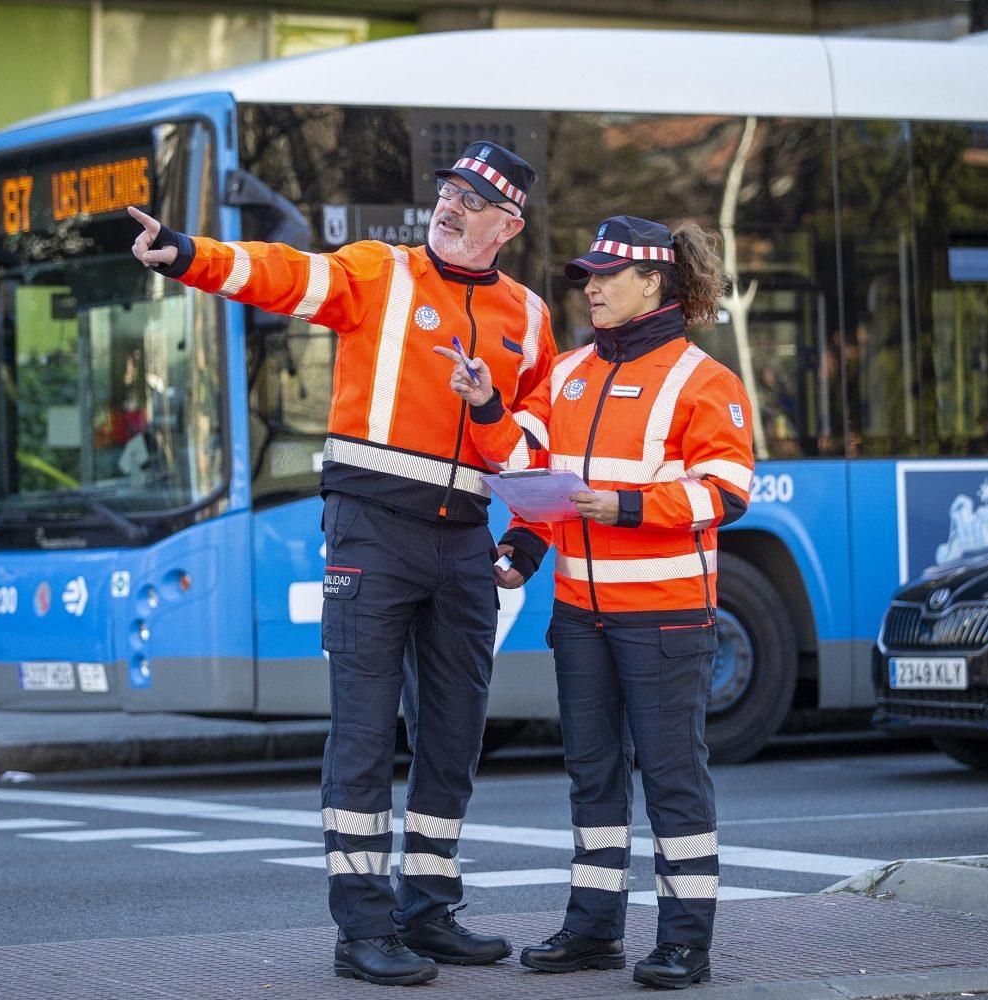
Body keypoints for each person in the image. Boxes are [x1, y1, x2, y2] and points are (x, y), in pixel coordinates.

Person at [128, 140, 557, 987]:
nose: (451, 205)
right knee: (362, 734)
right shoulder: (379, 271)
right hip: (369, 529)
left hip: (466, 537)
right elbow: (284, 273)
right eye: (448, 191)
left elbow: (539, 438)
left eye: (473, 200)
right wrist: (187, 254)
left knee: (454, 734)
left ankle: (429, 910)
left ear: (507, 224)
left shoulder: (530, 317)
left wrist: (530, 534)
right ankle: (362, 928)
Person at [439, 216, 754, 990]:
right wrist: (488, 414)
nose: (592, 286)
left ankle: (685, 943)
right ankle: (592, 933)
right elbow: (528, 466)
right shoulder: (572, 370)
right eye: (588, 274)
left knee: (674, 778)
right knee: (592, 775)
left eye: (608, 274)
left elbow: (729, 491)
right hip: (581, 616)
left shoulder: (704, 380)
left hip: (667, 617)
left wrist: (626, 506)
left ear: (655, 282)